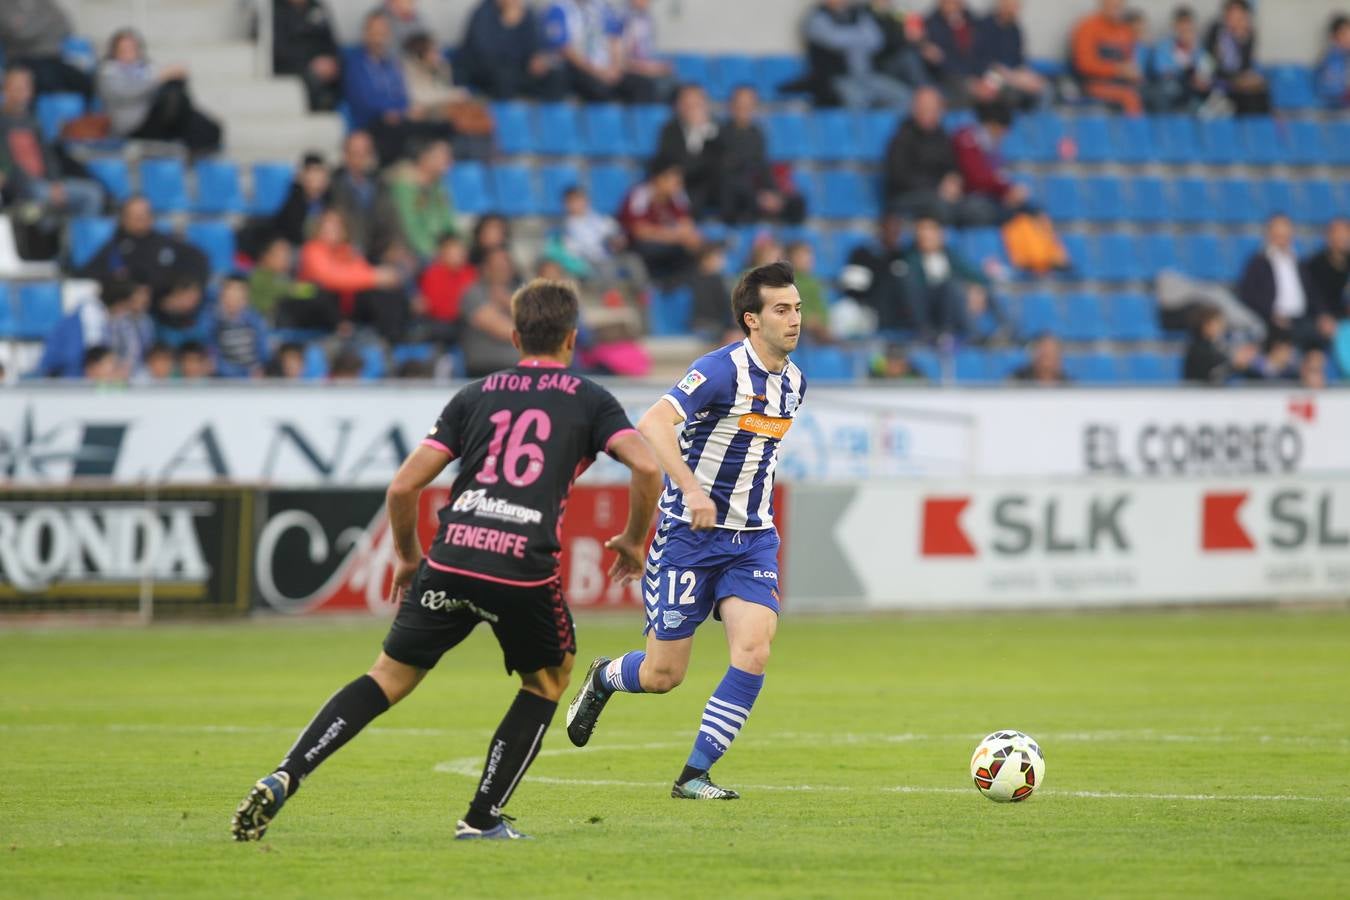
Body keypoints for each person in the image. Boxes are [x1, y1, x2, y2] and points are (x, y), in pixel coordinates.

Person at [232, 279, 662, 841]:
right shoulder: (589, 399)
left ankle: (288, 773)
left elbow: (403, 488)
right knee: (548, 680)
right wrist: (634, 539)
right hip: (520, 564)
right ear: (572, 339)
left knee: (387, 676)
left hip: (452, 554)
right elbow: (648, 467)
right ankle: (481, 820)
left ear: (513, 336)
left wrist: (409, 559)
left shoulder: (475, 395)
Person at [565, 261, 807, 802]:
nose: (794, 319)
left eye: (797, 308)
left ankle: (693, 775)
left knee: (754, 651)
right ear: (752, 319)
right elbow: (652, 423)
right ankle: (605, 677)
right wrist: (692, 490)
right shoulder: (719, 371)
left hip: (752, 540)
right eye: (781, 310)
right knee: (662, 675)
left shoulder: (794, 382)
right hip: (688, 538)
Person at [0, 66, 104, 217]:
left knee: (92, 194)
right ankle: (43, 238)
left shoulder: (34, 121)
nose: (22, 91)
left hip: (46, 184)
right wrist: (41, 186)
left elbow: (47, 154)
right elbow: (6, 165)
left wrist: (55, 183)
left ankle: (79, 238)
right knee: (40, 195)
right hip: (20, 186)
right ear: (5, 90)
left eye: (25, 86)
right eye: (17, 87)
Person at [97, 29, 222, 154]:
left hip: (158, 117)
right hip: (135, 126)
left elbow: (158, 83)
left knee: (208, 126)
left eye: (132, 48)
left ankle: (196, 152)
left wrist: (173, 75)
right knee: (174, 95)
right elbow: (128, 92)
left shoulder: (146, 68)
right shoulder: (108, 72)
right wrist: (161, 76)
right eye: (124, 49)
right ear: (114, 51)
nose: (129, 53)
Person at [298, 209, 407, 340]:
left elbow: (361, 272)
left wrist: (380, 277)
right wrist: (375, 276)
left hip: (346, 306)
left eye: (337, 225)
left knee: (385, 291)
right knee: (319, 291)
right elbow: (329, 277)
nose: (333, 229)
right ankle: (341, 328)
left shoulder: (348, 251)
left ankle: (394, 337)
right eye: (328, 225)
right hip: (318, 309)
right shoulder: (312, 249)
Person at [883, 87, 985, 226]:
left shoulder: (942, 136)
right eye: (924, 108)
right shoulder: (902, 137)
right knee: (941, 209)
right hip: (908, 196)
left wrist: (954, 181)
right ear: (914, 109)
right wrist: (937, 188)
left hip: (941, 195)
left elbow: (953, 166)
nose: (929, 113)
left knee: (975, 209)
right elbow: (900, 176)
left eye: (933, 109)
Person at [80, 196, 209, 304]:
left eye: (145, 214)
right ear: (124, 219)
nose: (142, 219)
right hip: (136, 310)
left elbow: (198, 258)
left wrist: (193, 289)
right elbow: (87, 274)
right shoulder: (115, 249)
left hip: (172, 305)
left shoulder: (165, 242)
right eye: (136, 216)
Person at [1236, 214, 1334, 349]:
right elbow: (1248, 294)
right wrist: (1270, 313)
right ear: (1269, 234)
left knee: (1326, 335)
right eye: (1278, 235)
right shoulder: (1259, 263)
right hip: (1272, 320)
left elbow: (1312, 293)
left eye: (1285, 234)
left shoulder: (1298, 263)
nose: (1282, 239)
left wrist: (1323, 314)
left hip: (1302, 319)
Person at [715, 85, 805, 226]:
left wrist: (773, 193)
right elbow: (725, 172)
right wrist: (757, 196)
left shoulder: (757, 134)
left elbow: (763, 166)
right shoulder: (719, 134)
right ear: (730, 105)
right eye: (740, 104)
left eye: (749, 104)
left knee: (797, 201)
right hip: (734, 193)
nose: (744, 108)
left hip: (755, 190)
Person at [803, 0, 912, 109]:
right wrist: (859, 35)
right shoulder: (816, 18)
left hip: (866, 77)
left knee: (903, 95)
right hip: (835, 79)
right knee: (858, 99)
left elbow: (876, 40)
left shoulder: (857, 13)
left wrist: (848, 37)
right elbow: (835, 40)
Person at [903, 214, 992, 340]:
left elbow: (976, 275)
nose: (926, 235)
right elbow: (914, 291)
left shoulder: (949, 255)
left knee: (984, 290)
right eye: (922, 231)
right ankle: (972, 334)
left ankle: (1006, 331)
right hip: (931, 312)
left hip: (955, 305)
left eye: (930, 230)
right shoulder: (911, 259)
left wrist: (976, 289)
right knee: (952, 286)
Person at [617, 158, 702, 285]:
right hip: (638, 247)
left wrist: (689, 237)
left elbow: (687, 226)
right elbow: (640, 232)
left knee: (699, 249)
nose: (679, 186)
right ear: (659, 179)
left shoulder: (677, 197)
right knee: (680, 250)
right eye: (675, 182)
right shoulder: (640, 194)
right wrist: (674, 235)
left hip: (669, 244)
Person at [459, 0, 564, 101]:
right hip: (488, 72)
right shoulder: (483, 13)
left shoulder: (526, 13)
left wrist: (537, 59)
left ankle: (545, 117)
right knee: (504, 79)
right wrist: (507, 25)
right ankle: (506, 116)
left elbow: (535, 46)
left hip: (520, 70)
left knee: (556, 77)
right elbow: (485, 53)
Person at [950, 100, 1032, 225]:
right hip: (969, 198)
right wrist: (1006, 190)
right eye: (1002, 130)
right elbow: (976, 178)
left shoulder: (992, 145)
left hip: (992, 198)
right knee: (1010, 216)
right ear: (993, 125)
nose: (1003, 135)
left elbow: (998, 176)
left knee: (1032, 210)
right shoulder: (967, 139)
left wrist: (1009, 191)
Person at [329, 130, 403, 261]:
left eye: (365, 153)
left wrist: (394, 247)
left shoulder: (379, 183)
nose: (360, 158)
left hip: (380, 251)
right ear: (345, 155)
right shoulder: (333, 185)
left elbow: (392, 220)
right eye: (355, 153)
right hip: (347, 251)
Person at [0, 0, 92, 97]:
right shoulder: (4, 5)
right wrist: (46, 26)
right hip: (22, 58)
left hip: (52, 58)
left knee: (83, 81)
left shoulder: (46, 4)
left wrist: (30, 26)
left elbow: (65, 26)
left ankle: (87, 111)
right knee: (46, 80)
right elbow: (21, 34)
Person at [388, 138, 458, 262]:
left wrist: (456, 245)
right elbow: (411, 227)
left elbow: (447, 221)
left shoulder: (438, 186)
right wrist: (435, 253)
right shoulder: (406, 187)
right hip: (415, 253)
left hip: (442, 249)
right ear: (425, 157)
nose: (449, 161)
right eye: (442, 156)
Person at [840, 211, 910, 333]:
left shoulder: (903, 257)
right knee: (845, 311)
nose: (894, 233)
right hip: (865, 310)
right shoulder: (862, 254)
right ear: (881, 229)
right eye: (890, 229)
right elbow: (852, 290)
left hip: (896, 315)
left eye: (897, 230)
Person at [656, 84, 719, 219]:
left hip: (713, 185)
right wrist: (695, 134)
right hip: (685, 185)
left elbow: (721, 160)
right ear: (679, 105)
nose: (693, 108)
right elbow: (673, 163)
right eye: (688, 103)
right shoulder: (670, 130)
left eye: (697, 103)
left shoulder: (716, 129)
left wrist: (705, 132)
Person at [457, 245, 522, 376]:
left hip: (521, 369)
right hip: (486, 369)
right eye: (498, 267)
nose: (503, 270)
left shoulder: (518, 293)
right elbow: (506, 331)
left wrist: (510, 303)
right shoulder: (473, 293)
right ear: (485, 268)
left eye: (506, 266)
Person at [543, 0, 626, 101]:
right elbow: (564, 49)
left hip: (603, 68)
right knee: (599, 88)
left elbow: (614, 39)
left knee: (641, 85)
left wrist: (615, 68)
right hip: (576, 67)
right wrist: (598, 72)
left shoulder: (602, 8)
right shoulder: (559, 9)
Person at [1071, 0, 1143, 115]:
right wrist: (1117, 70)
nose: (1117, 9)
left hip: (1121, 82)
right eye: (1113, 5)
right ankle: (1134, 132)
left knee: (1153, 94)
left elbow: (1130, 60)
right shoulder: (1088, 26)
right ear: (1103, 4)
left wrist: (1133, 72)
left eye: (1119, 5)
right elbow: (1084, 64)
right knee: (1129, 97)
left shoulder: (1125, 30)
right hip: (1093, 83)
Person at [248, 236, 335, 331]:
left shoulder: (283, 276)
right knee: (316, 294)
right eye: (280, 255)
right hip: (270, 321)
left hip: (286, 319)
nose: (286, 259)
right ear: (266, 256)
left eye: (287, 255)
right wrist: (313, 288)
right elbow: (288, 291)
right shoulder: (259, 276)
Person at [973, 0, 1046, 109]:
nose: (1015, 9)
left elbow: (1019, 61)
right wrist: (1013, 77)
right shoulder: (983, 26)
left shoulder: (1015, 30)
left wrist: (1029, 77)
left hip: (1012, 76)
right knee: (1011, 94)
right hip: (988, 78)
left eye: (1016, 6)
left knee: (1045, 88)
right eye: (1011, 5)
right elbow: (983, 62)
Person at [273, 0, 342, 111]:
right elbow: (278, 50)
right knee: (311, 78)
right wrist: (311, 64)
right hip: (291, 68)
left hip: (321, 67)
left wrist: (332, 61)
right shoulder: (274, 9)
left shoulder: (317, 7)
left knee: (347, 65)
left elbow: (331, 42)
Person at [1205, 0, 1270, 116]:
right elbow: (1210, 64)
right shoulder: (1216, 31)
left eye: (1239, 15)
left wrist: (1242, 41)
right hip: (1220, 81)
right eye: (1231, 13)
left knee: (1261, 93)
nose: (1234, 18)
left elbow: (1246, 65)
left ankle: (1258, 131)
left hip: (1240, 81)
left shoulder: (1248, 34)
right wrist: (1235, 79)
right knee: (1246, 98)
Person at [1146, 6, 1215, 112]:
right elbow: (1161, 71)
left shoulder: (1199, 50)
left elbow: (1207, 71)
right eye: (1182, 28)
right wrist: (1182, 72)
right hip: (1172, 88)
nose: (1185, 32)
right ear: (1175, 27)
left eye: (1188, 28)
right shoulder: (1164, 47)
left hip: (1193, 91)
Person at [920, 0, 989, 105]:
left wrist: (981, 78)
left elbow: (982, 53)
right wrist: (969, 81)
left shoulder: (973, 22)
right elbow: (940, 60)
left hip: (977, 76)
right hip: (949, 79)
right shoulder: (930, 24)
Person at [415, 231, 476, 343]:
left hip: (469, 322)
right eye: (453, 250)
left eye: (461, 250)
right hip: (444, 323)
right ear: (442, 252)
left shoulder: (471, 272)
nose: (459, 254)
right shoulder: (432, 274)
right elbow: (437, 307)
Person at [206, 276, 270, 378]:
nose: (233, 298)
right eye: (230, 292)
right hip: (222, 379)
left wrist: (259, 369)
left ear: (246, 298)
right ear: (222, 295)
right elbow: (210, 349)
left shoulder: (256, 320)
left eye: (239, 293)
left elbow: (263, 352)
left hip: (251, 380)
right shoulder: (212, 320)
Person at [1183, 304, 1258, 385]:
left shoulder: (1218, 345)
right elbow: (1212, 374)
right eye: (1217, 322)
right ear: (1205, 325)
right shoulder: (1197, 349)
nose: (1222, 325)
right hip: (1197, 395)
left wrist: (1242, 363)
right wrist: (1235, 364)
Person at [617, 0, 675, 103]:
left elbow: (646, 54)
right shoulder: (621, 18)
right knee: (649, 85)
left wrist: (657, 67)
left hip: (644, 69)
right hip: (628, 74)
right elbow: (621, 61)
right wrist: (651, 69)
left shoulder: (647, 19)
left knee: (675, 82)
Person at [270, 152, 331, 249]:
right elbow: (295, 233)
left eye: (319, 172)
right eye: (312, 172)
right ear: (302, 176)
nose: (316, 178)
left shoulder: (330, 200)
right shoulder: (293, 200)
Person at [1304, 218, 1350, 321]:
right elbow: (1313, 298)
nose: (1342, 237)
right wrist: (1323, 316)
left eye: (1346, 232)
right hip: (1325, 319)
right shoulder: (1314, 265)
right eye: (1338, 232)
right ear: (1328, 236)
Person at [688, 242, 735, 342]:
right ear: (705, 260)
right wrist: (730, 327)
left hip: (698, 326)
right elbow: (725, 305)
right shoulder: (717, 280)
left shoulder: (693, 279)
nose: (721, 260)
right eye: (717, 257)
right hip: (713, 327)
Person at [786, 241, 830, 343]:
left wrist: (822, 321)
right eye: (801, 256)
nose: (807, 259)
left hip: (817, 328)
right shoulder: (788, 282)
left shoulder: (814, 282)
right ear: (791, 259)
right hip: (799, 326)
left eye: (809, 255)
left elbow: (821, 306)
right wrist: (807, 320)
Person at [1316, 14, 1350, 109]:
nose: (1348, 38)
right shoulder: (1329, 59)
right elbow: (1328, 90)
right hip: (1334, 110)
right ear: (1334, 36)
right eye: (1344, 34)